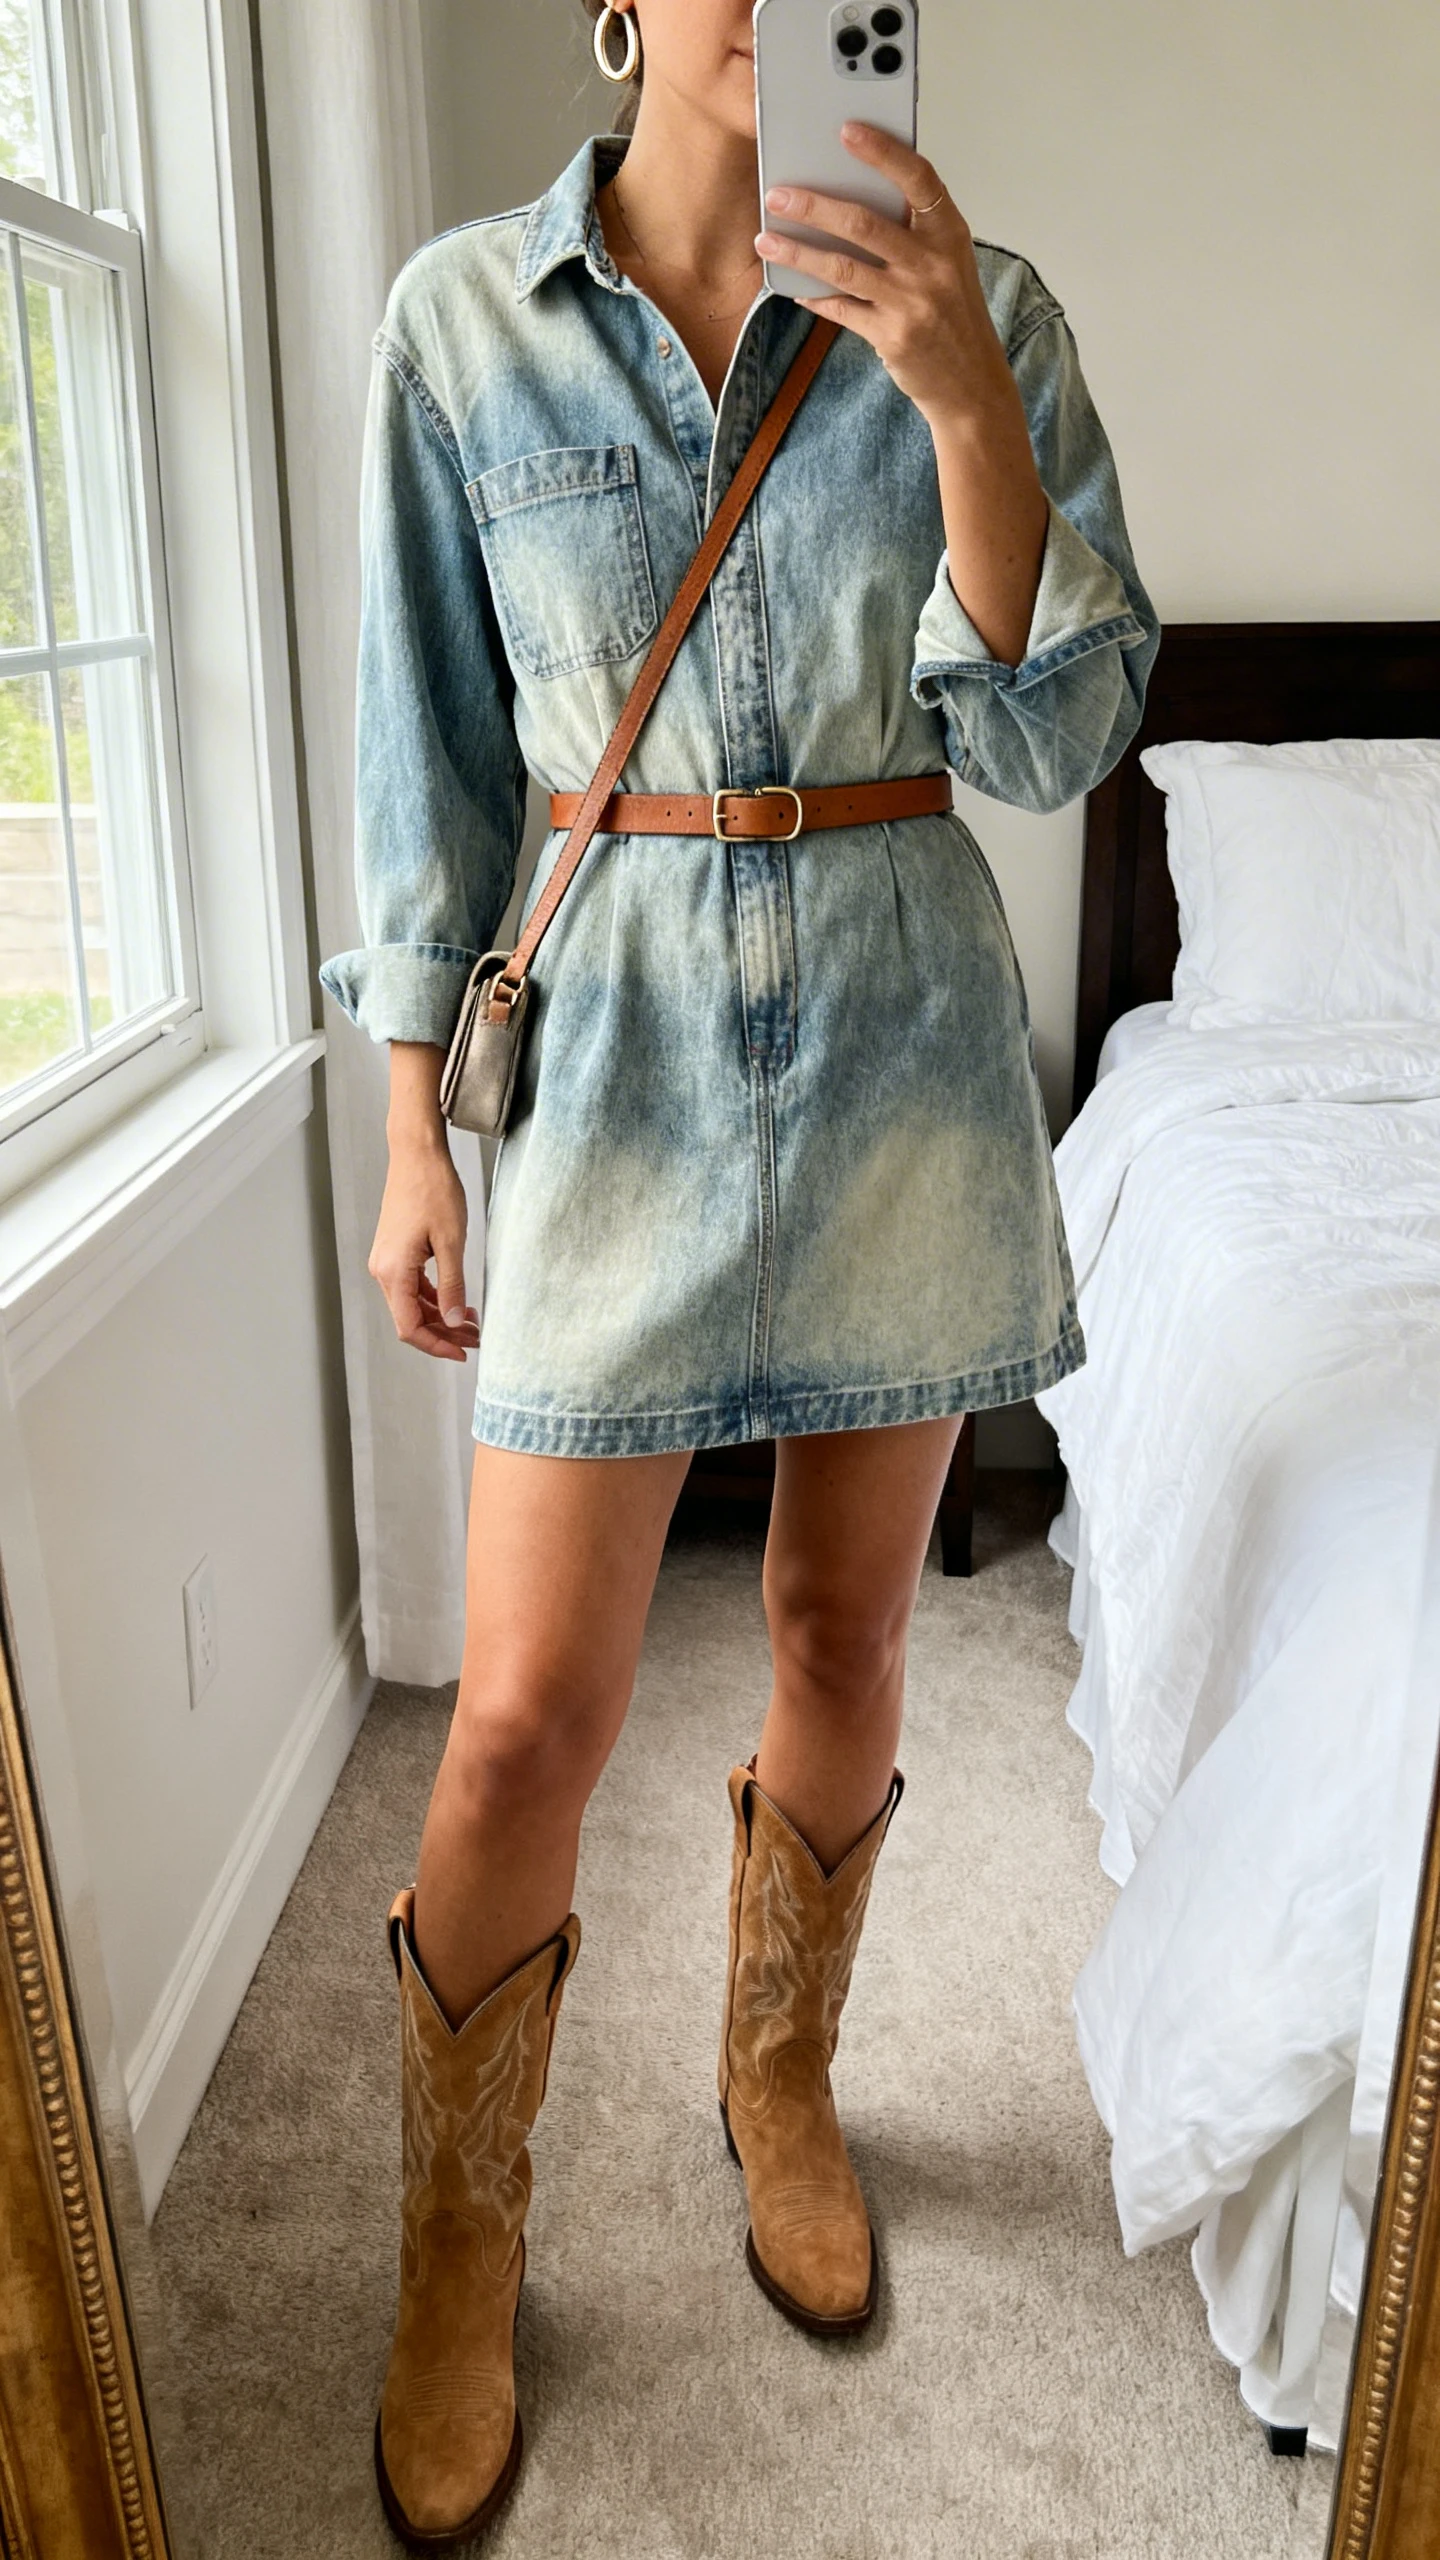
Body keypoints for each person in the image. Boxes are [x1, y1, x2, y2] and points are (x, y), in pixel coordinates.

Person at [319, 0, 1158, 2542]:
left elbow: (1062, 737)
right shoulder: (462, 322)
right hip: (613, 1079)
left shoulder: (982, 306)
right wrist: (408, 1141)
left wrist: (963, 402)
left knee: (843, 1636)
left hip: (901, 1049)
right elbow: (430, 769)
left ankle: (780, 2072)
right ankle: (461, 2223)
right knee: (517, 1717)